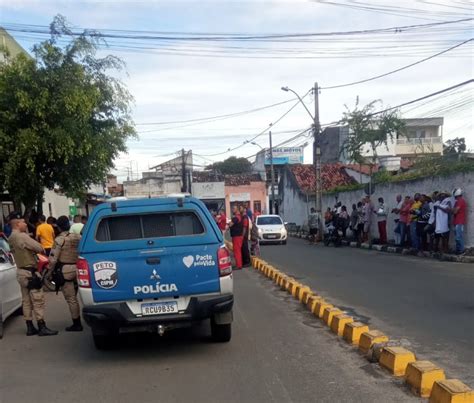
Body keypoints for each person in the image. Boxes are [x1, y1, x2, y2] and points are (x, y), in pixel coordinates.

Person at [8, 213, 58, 336]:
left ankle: (29, 327)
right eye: (24, 222)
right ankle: (42, 326)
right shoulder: (22, 236)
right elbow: (39, 247)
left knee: (26, 300)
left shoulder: (10, 238)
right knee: (37, 299)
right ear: (18, 223)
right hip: (30, 272)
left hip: (20, 271)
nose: (26, 224)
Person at [47, 216, 83, 331]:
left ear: (58, 226)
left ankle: (77, 324)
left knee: (71, 299)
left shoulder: (59, 239)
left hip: (65, 271)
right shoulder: (79, 237)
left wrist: (49, 273)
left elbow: (53, 259)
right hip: (79, 269)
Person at [452, 188, 467, 255]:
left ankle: (462, 250)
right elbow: (454, 211)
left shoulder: (460, 201)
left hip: (459, 221)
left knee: (458, 237)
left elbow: (454, 211)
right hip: (456, 221)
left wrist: (451, 209)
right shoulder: (457, 202)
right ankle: (458, 250)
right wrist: (453, 210)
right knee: (457, 237)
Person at [229, 206, 243, 270]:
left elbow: (230, 225)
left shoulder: (236, 218)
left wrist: (229, 224)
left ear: (237, 210)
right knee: (237, 251)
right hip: (238, 236)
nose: (232, 210)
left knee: (237, 251)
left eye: (233, 209)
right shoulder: (239, 217)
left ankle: (239, 265)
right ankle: (238, 264)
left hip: (236, 236)